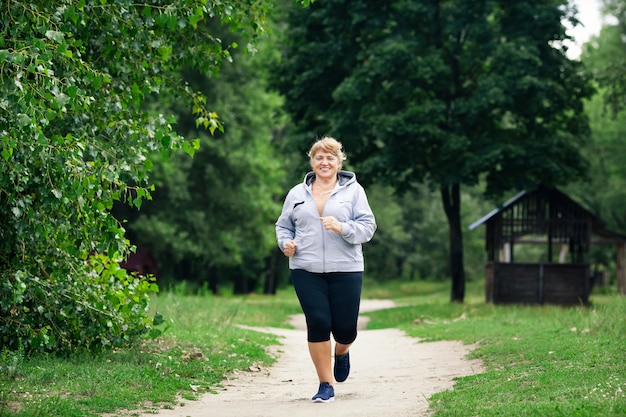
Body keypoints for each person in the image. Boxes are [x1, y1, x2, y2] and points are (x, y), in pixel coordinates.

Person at [275, 136, 377, 403]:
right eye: (319, 157)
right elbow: (283, 226)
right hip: (305, 267)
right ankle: (325, 384)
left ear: (339, 162)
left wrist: (343, 227)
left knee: (346, 330)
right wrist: (285, 243)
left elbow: (368, 227)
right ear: (312, 161)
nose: (324, 162)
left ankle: (341, 352)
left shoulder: (355, 192)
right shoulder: (297, 194)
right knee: (318, 322)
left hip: (346, 268)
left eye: (330, 157)